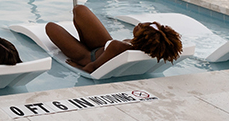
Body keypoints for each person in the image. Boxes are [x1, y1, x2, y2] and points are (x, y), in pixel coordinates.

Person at [45, 5, 182, 74]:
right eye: (148, 23)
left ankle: (80, 46)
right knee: (80, 10)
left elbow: (92, 68)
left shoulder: (118, 46)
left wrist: (78, 66)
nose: (141, 24)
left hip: (88, 57)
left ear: (145, 38)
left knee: (50, 27)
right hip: (102, 45)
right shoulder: (143, 47)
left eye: (143, 28)